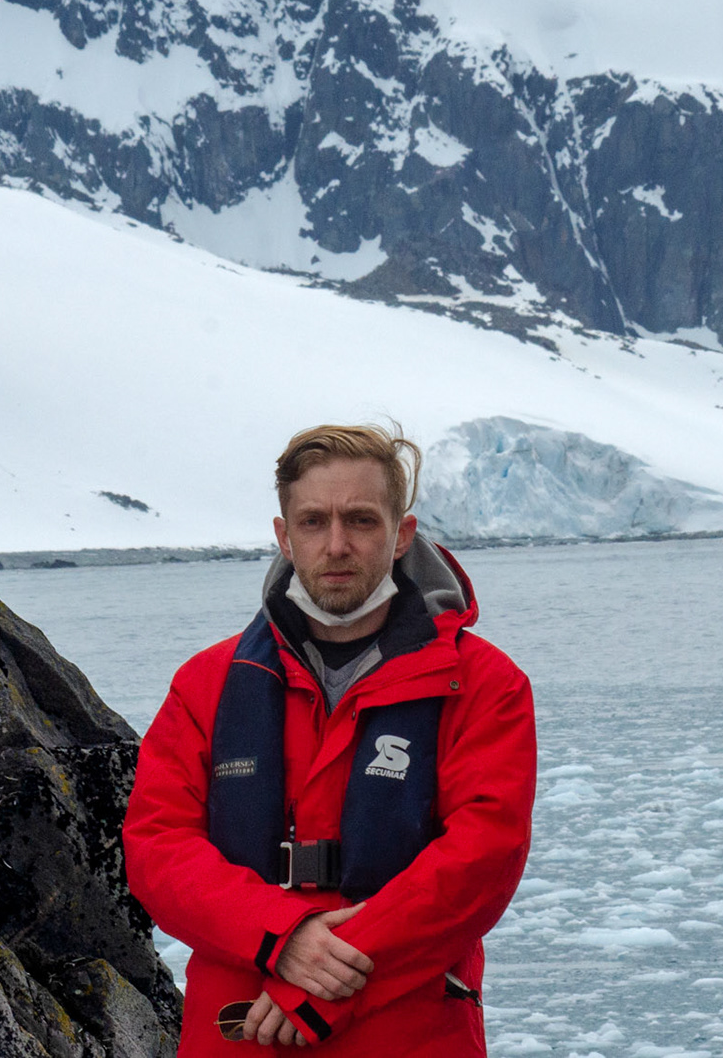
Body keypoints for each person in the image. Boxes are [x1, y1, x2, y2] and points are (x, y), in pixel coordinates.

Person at [124, 424, 536, 1054]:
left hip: (405, 1025)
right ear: (285, 537)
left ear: (402, 535)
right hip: (242, 1027)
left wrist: (318, 987)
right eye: (314, 521)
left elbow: (481, 860)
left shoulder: (484, 685)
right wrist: (280, 935)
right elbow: (158, 846)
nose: (337, 544)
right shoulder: (205, 684)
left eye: (362, 521)